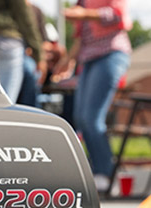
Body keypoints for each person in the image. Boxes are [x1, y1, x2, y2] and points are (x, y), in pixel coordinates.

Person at [54, 0, 132, 193]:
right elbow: (82, 39)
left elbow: (118, 15)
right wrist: (68, 60)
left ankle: (105, 174)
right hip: (88, 59)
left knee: (92, 117)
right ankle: (96, 171)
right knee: (80, 117)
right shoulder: (82, 2)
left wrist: (84, 14)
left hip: (110, 54)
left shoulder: (86, 8)